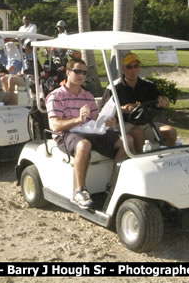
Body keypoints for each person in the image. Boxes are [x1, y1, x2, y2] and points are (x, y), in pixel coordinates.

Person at [46, 58, 134, 209]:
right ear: (68, 72)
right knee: (84, 145)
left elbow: (95, 119)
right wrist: (78, 119)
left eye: (84, 72)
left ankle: (113, 185)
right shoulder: (56, 96)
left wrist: (107, 122)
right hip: (66, 134)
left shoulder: (87, 95)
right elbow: (56, 125)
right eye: (77, 71)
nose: (81, 75)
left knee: (128, 140)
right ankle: (80, 190)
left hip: (89, 131)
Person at [100, 52, 178, 151]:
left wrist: (164, 102)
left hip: (145, 123)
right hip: (122, 124)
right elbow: (104, 112)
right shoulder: (114, 87)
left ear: (139, 68)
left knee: (171, 131)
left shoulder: (148, 85)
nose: (133, 70)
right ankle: (141, 160)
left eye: (136, 66)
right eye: (129, 67)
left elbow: (162, 101)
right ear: (123, 68)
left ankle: (168, 160)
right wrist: (123, 109)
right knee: (137, 132)